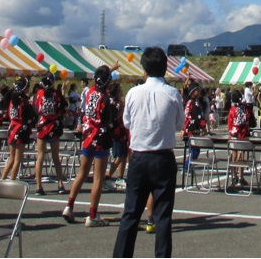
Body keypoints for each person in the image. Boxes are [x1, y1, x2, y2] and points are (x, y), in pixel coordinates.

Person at [113, 47, 183, 258]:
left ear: (144, 69)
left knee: (131, 214)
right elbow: (179, 125)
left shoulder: (134, 93)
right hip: (163, 157)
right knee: (163, 217)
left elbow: (126, 122)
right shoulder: (173, 93)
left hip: (139, 157)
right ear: (165, 68)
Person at [63, 66, 115, 226]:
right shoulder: (107, 99)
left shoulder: (90, 92)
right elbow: (110, 121)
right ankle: (92, 214)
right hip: (101, 137)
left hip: (88, 134)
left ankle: (69, 206)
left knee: (82, 173)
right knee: (98, 178)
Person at [34, 72, 67, 195]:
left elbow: (36, 108)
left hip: (42, 125)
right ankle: (60, 184)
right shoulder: (56, 94)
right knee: (56, 157)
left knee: (40, 157)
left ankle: (38, 186)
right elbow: (62, 108)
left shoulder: (39, 94)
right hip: (53, 126)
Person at [2, 77, 35, 180]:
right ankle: (12, 179)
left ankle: (2, 178)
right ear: (25, 88)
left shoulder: (12, 99)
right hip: (21, 129)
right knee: (18, 158)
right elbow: (32, 116)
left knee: (11, 157)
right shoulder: (25, 101)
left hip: (11, 128)